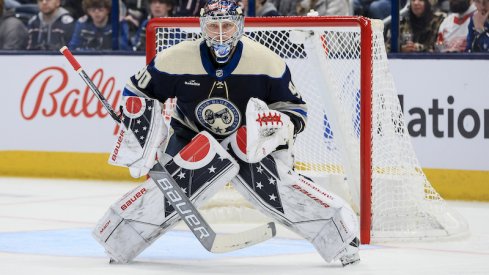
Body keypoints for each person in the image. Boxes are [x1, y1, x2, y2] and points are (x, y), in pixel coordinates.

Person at [92, 0, 360, 267]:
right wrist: (141, 129)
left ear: (240, 25)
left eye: (227, 25)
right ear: (202, 26)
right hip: (191, 136)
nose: (220, 33)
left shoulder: (267, 62)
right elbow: (137, 93)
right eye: (214, 26)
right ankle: (118, 237)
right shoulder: (174, 58)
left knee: (275, 184)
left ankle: (340, 235)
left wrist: (278, 128)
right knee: (169, 189)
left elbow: (295, 110)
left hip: (247, 140)